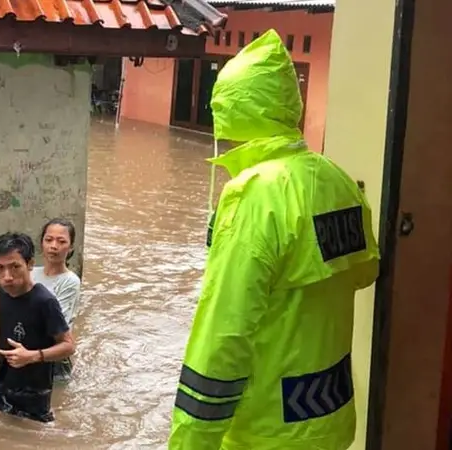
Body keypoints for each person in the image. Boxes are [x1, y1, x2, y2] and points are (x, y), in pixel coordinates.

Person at [168, 29, 380, 450]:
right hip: (332, 418)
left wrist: (189, 443)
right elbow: (365, 271)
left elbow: (223, 337)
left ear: (231, 115)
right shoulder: (337, 180)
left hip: (265, 434)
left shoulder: (253, 196)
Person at [0, 232, 76, 422]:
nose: (7, 276)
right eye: (0, 268)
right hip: (2, 381)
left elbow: (68, 346)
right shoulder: (2, 291)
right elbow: (12, 318)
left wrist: (33, 356)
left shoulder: (45, 302)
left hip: (34, 392)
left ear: (30, 264)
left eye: (15, 267)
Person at [33, 218, 81, 383]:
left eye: (61, 241)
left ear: (71, 247)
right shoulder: (31, 274)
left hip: (53, 359)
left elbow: (54, 324)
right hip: (27, 352)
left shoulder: (69, 281)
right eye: (49, 240)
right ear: (42, 243)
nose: (54, 246)